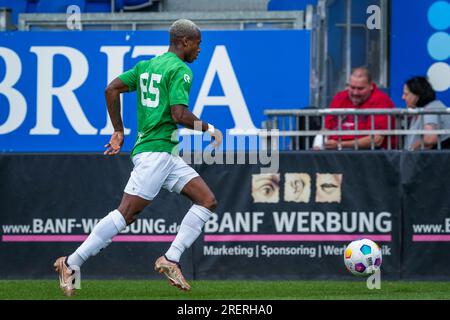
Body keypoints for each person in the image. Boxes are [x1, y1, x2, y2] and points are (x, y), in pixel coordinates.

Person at [53, 19, 223, 296]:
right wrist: (210, 129)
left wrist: (118, 130)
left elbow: (111, 89)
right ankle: (71, 263)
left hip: (164, 153)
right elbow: (179, 115)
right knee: (126, 214)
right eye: (198, 43)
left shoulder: (147, 66)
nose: (199, 49)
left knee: (207, 200)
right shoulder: (180, 69)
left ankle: (170, 259)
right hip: (156, 152)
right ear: (184, 42)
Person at [322, 67, 396, 150]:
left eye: (360, 89)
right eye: (352, 87)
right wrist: (319, 143)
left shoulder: (381, 101)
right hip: (336, 151)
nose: (355, 93)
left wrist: (340, 144)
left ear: (371, 86)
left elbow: (377, 140)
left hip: (370, 153)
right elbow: (326, 129)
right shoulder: (339, 97)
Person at [402, 76, 450, 150]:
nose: (403, 97)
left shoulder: (431, 109)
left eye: (406, 94)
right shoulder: (421, 110)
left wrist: (412, 149)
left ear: (417, 96)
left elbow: (429, 139)